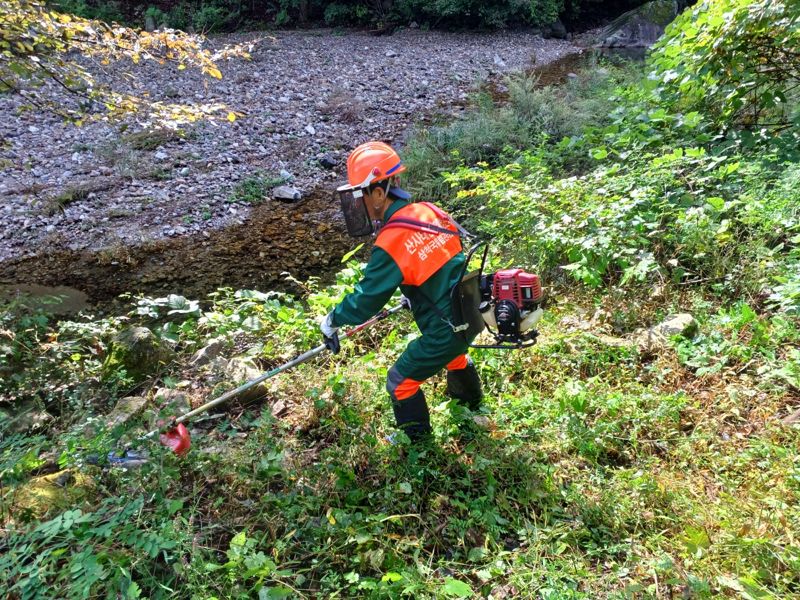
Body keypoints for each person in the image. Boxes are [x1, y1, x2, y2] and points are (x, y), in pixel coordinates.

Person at [319, 141, 483, 443]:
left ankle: (418, 450)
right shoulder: (429, 211)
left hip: (445, 329)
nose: (361, 205)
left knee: (399, 382)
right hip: (471, 314)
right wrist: (416, 290)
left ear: (379, 193)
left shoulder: (391, 240)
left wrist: (332, 320)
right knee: (456, 356)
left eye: (362, 196)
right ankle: (475, 414)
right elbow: (448, 261)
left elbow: (366, 300)